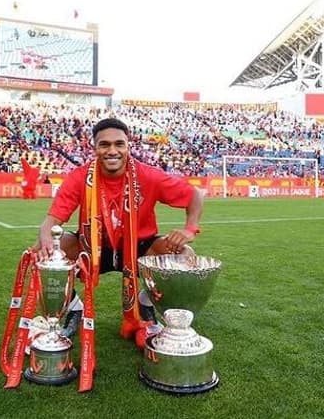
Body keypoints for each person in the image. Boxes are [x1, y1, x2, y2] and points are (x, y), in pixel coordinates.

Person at [32, 117, 204, 348]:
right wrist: (44, 242)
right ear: (94, 148)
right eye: (104, 144)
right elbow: (51, 221)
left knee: (185, 254)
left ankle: (146, 303)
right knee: (43, 251)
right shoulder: (79, 177)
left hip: (139, 248)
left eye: (119, 144)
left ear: (128, 146)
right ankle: (74, 309)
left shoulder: (148, 175)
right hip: (94, 247)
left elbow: (195, 195)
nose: (112, 150)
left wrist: (190, 228)